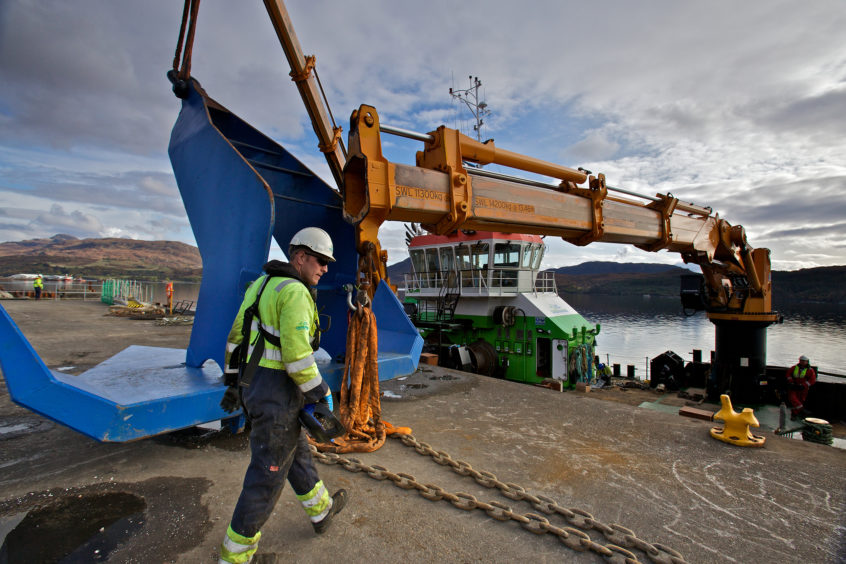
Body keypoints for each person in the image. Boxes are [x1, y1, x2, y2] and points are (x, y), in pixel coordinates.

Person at [218, 227, 347, 564]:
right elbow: (297, 356)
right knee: (267, 473)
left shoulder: (261, 285)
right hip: (278, 394)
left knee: (296, 453)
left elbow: (236, 336)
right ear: (300, 257)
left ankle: (321, 512)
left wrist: (233, 382)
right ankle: (236, 557)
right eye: (320, 261)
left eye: (328, 263)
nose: (325, 268)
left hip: (255, 388)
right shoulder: (296, 293)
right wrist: (320, 394)